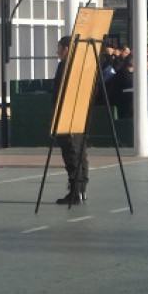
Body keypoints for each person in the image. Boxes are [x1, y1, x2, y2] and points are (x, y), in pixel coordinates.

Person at [53, 35, 88, 205]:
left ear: (65, 49)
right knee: (81, 152)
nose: (57, 51)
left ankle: (75, 191)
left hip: (67, 115)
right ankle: (81, 190)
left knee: (71, 153)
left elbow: (58, 91)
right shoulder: (82, 66)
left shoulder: (64, 66)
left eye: (59, 48)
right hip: (80, 114)